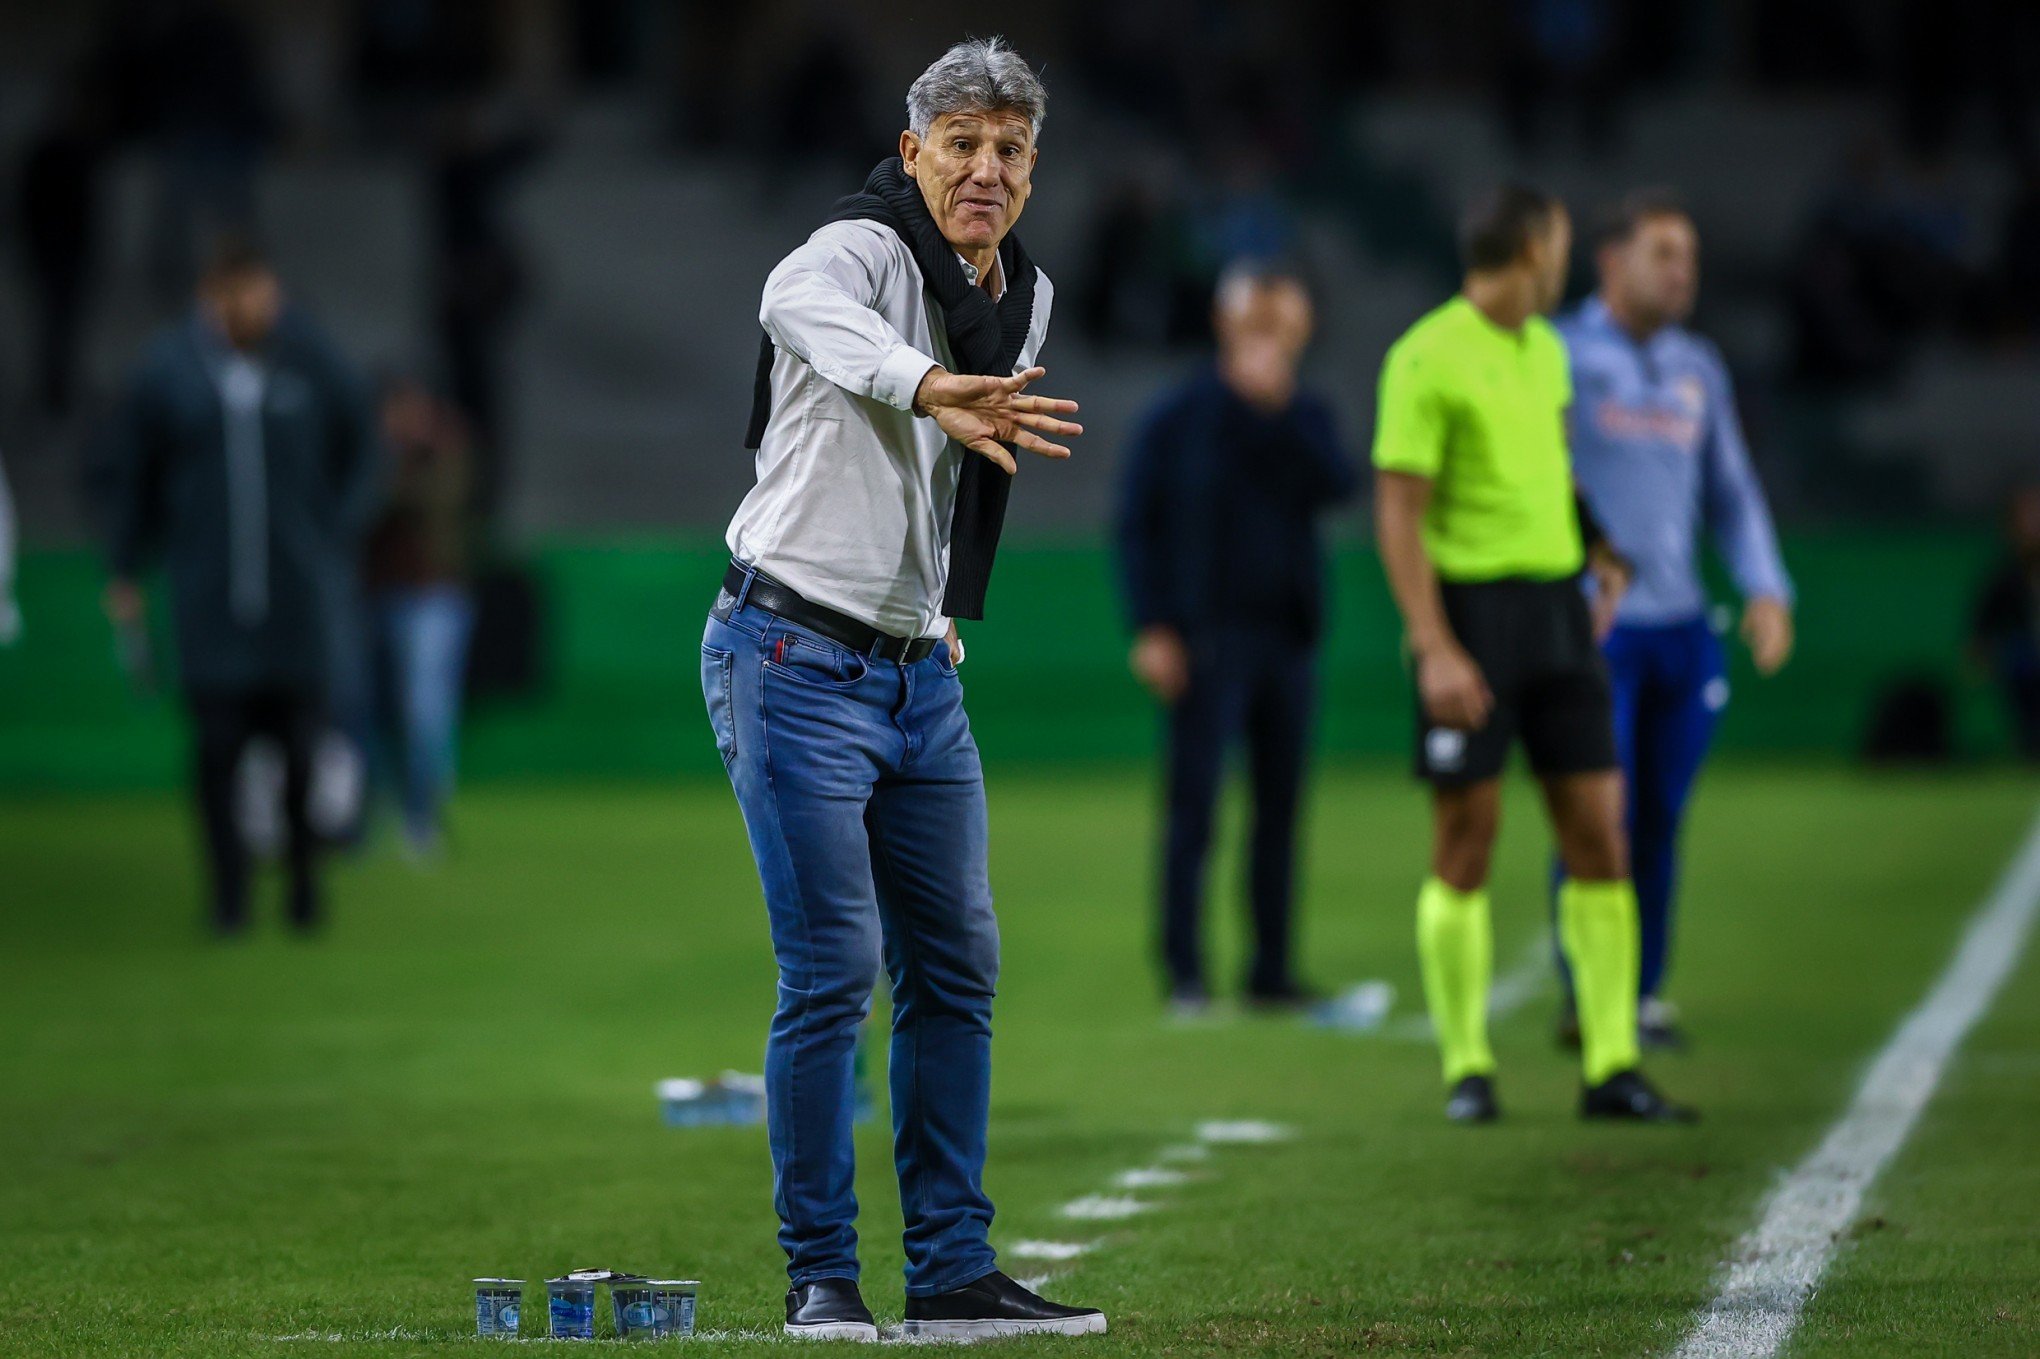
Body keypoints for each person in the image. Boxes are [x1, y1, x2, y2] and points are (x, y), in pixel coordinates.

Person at [702, 39, 1104, 1341]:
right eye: (965, 143)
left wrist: (933, 613)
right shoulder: (860, 248)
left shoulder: (1022, 293)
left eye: (1012, 150)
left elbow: (945, 481)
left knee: (957, 963)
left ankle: (951, 1269)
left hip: (916, 672)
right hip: (790, 654)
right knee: (832, 968)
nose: (987, 169)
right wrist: (926, 382)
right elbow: (787, 300)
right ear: (914, 143)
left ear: (1034, 169)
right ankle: (822, 1274)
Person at [1371, 183, 1695, 1125]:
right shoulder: (1425, 355)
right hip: (1470, 618)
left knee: (1601, 832)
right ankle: (1467, 1068)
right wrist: (1433, 646)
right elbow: (1399, 512)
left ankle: (1612, 1064)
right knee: (1465, 841)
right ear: (1535, 250)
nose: (1565, 265)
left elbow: (1552, 467)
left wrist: (1599, 545)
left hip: (1559, 616)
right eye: (1559, 246)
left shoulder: (1546, 349)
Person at [1556, 193, 1795, 1050]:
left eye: (1687, 254)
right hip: (1597, 628)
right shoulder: (1561, 355)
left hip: (1685, 624)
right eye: (1663, 252)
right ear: (1611, 261)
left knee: (1659, 813)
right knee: (1595, 814)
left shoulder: (1699, 366)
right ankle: (1588, 992)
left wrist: (1767, 589)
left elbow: (1732, 493)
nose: (1682, 270)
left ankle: (1641, 990)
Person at [101, 241, 377, 936]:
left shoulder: (310, 361)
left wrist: (334, 530)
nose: (250, 308)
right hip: (209, 601)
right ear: (209, 297)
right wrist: (125, 566)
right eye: (234, 295)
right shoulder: (168, 372)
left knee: (300, 751)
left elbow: (367, 446)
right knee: (216, 748)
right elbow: (129, 472)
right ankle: (228, 900)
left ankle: (305, 888)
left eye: (259, 293)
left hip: (296, 602)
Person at [1114, 263, 1355, 1015]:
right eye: (1263, 322)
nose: (1275, 339)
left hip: (1286, 638)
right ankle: (1185, 975)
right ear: (1230, 324)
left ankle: (1270, 971)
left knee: (1280, 811)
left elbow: (1338, 485)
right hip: (1205, 640)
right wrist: (1153, 624)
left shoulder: (1302, 412)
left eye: (1286, 326)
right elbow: (1136, 522)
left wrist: (1276, 410)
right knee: (1195, 810)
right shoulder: (1180, 415)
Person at [363, 376, 477, 858]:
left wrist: (400, 463)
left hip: (435, 597)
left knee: (425, 709)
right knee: (370, 712)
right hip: (373, 596)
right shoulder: (371, 455)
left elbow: (435, 502)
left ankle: (422, 816)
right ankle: (368, 817)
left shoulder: (446, 451)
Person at [1970, 485, 2040, 759]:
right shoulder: (2005, 574)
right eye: (2028, 518)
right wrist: (1979, 652)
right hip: (2024, 658)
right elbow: (1984, 620)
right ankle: (2030, 745)